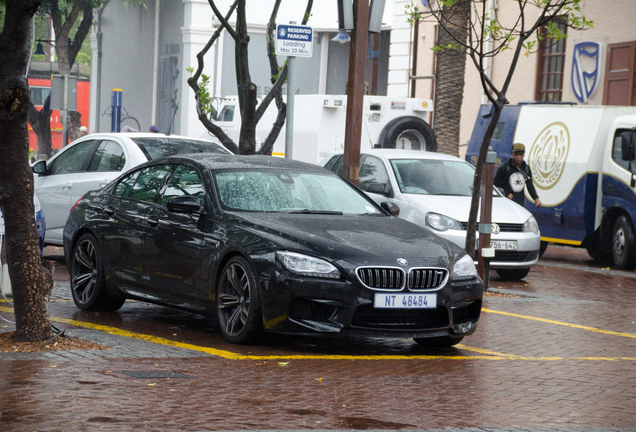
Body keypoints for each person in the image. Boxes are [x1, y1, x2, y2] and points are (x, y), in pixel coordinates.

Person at [494, 143, 542, 208]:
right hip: (506, 203)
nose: (518, 157)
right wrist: (506, 194)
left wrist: (536, 199)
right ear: (511, 154)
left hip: (520, 203)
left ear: (524, 155)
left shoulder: (526, 168)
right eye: (516, 154)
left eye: (521, 154)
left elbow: (530, 186)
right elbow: (496, 186)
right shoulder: (504, 168)